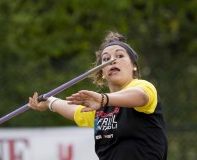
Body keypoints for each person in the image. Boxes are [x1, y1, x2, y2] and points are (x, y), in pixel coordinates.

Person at [29, 31, 168, 160]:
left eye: (120, 56)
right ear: (102, 71)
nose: (112, 61)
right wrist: (49, 101)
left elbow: (140, 96)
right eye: (106, 58)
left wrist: (104, 99)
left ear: (134, 66)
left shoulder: (142, 87)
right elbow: (73, 110)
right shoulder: (98, 107)